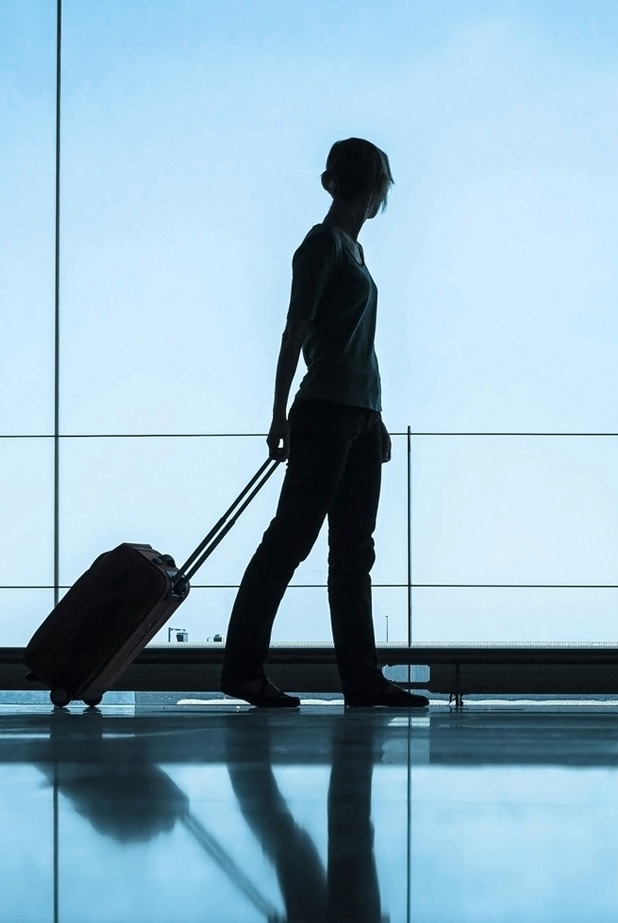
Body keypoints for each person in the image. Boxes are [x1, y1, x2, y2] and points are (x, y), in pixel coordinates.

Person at [221, 138, 427, 709]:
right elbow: (296, 329)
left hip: (357, 417)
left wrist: (377, 416)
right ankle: (244, 670)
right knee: (293, 540)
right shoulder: (323, 246)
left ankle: (361, 679)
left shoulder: (354, 254)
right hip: (327, 415)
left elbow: (356, 347)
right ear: (373, 187)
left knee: (351, 551)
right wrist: (278, 412)